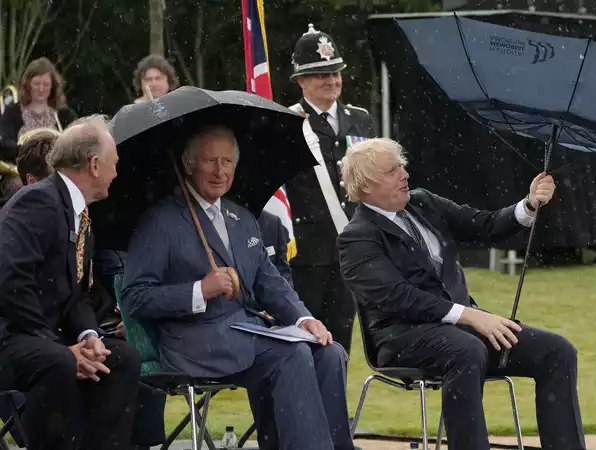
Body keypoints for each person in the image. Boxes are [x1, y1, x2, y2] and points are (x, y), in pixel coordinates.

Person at [338, 138, 586, 450]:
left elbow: (486, 226)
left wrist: (529, 204)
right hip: (402, 339)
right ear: (368, 184)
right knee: (466, 349)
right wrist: (470, 315)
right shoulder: (357, 237)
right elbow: (398, 297)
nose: (404, 174)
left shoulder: (423, 202)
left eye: (402, 166)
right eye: (393, 170)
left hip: (463, 331)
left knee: (557, 351)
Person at [121, 125, 354, 450]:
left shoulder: (242, 217)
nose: (220, 171)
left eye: (227, 162)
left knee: (328, 352)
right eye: (210, 161)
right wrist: (199, 290)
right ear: (188, 165)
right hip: (194, 342)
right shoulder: (159, 221)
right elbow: (135, 297)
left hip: (247, 333)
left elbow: (269, 282)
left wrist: (304, 320)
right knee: (292, 354)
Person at [0, 115, 140, 450]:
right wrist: (59, 345)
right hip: (12, 335)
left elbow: (78, 295)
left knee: (120, 359)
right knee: (59, 362)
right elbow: (9, 280)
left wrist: (88, 337)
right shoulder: (38, 201)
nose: (116, 173)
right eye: (114, 164)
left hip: (46, 338)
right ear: (94, 165)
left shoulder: (80, 215)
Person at [285, 24, 377, 355]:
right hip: (306, 252)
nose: (332, 80)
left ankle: (336, 408)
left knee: (341, 337)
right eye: (321, 73)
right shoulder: (286, 122)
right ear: (301, 80)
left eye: (335, 71)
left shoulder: (360, 119)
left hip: (349, 250)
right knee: (304, 339)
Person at [0, 57, 77, 162]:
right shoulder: (12, 112)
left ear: (52, 86)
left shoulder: (65, 114)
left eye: (46, 84)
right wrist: (28, 153)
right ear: (28, 84)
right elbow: (5, 144)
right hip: (19, 173)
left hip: (57, 173)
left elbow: (77, 143)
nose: (41, 89)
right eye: (36, 84)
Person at [258, 210, 294, 286]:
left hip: (273, 294)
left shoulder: (273, 222)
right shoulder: (230, 223)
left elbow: (283, 271)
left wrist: (289, 297)